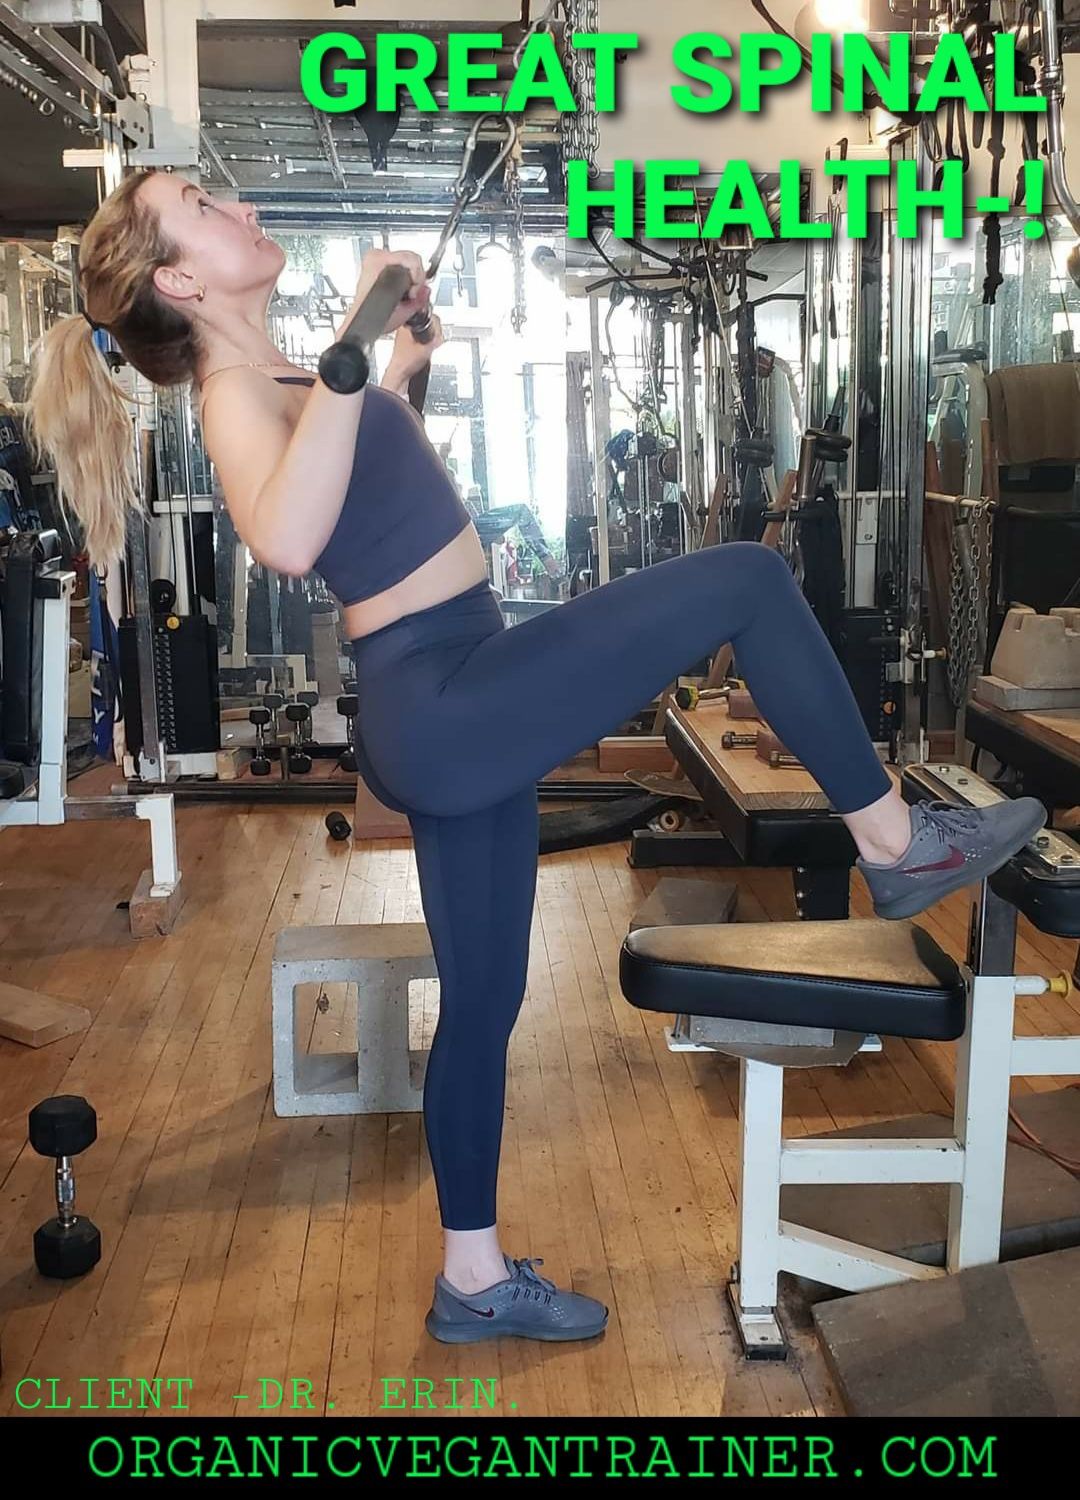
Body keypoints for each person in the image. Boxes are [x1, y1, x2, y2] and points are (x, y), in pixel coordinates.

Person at [24, 170, 1046, 1346]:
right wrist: (356, 340)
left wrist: (398, 365)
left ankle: (471, 1278)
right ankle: (897, 842)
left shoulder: (291, 376)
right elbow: (292, 537)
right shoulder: (232, 393)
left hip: (457, 680)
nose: (236, 206)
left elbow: (359, 494)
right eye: (202, 205)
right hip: (444, 692)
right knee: (750, 581)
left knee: (485, 1002)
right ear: (179, 277)